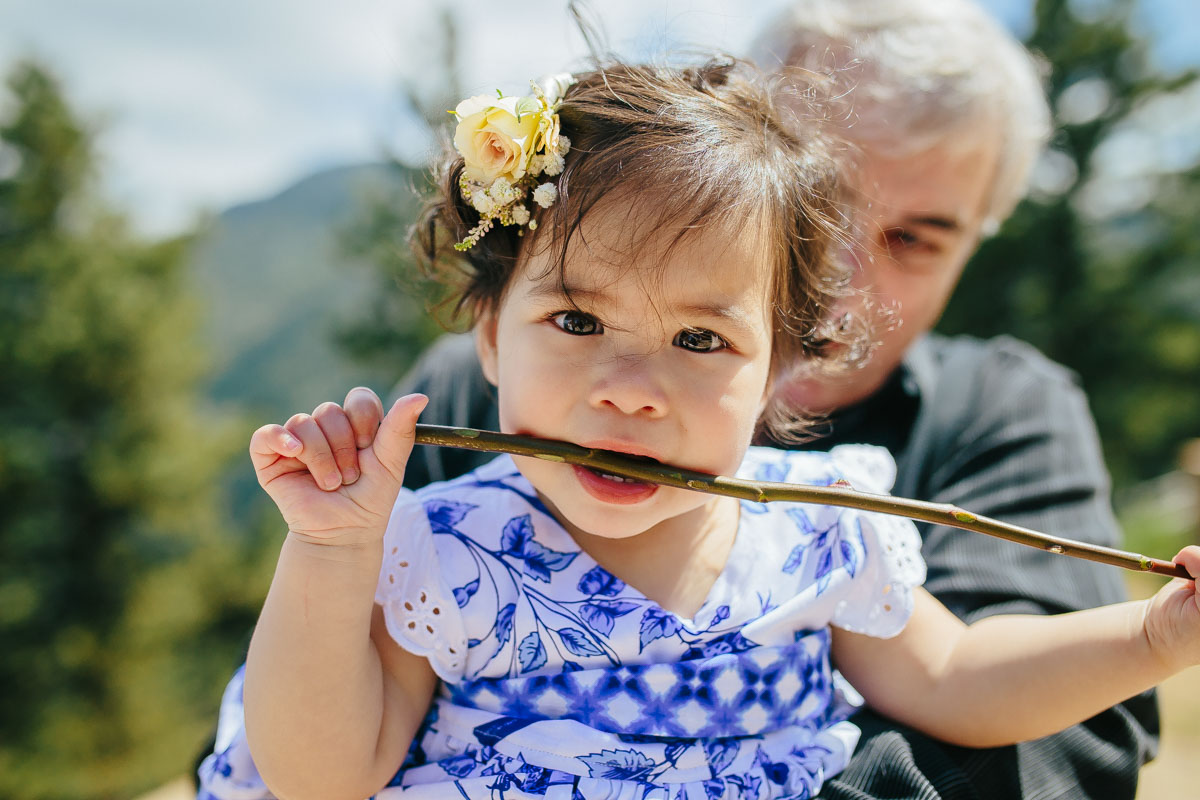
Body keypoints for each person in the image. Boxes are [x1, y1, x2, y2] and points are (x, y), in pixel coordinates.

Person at [195, 59, 1200, 800]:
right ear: (491, 338)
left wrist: (1157, 631)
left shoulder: (822, 536)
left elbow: (961, 680)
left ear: (781, 366)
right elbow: (324, 773)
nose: (632, 388)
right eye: (579, 321)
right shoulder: (449, 550)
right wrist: (330, 554)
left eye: (700, 338)